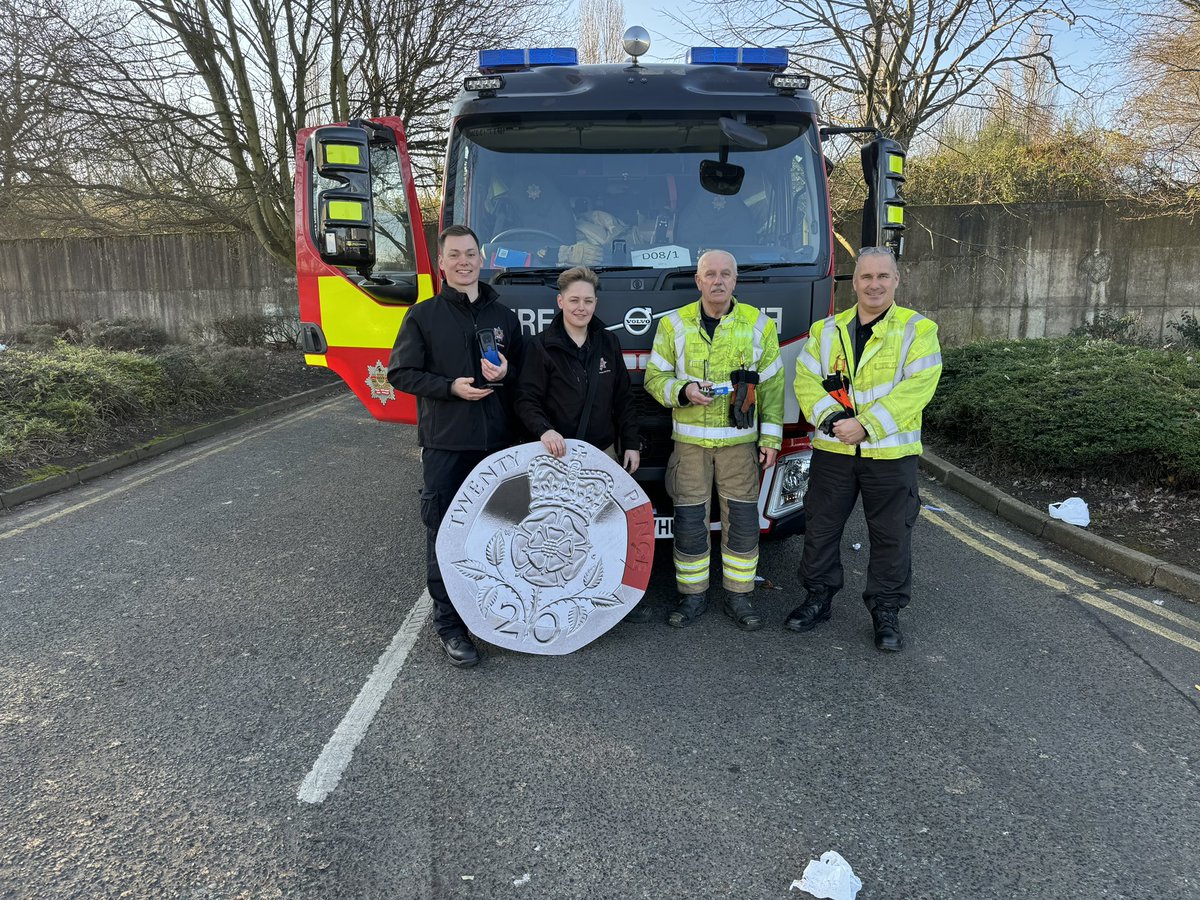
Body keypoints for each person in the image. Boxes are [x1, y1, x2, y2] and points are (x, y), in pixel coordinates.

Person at [786, 246, 942, 652]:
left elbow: (917, 389)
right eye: (866, 277)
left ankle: (886, 613)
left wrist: (866, 426)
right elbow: (804, 379)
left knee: (891, 538)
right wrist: (834, 422)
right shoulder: (827, 331)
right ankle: (818, 599)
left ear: (896, 281)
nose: (874, 284)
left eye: (882, 277)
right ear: (853, 282)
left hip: (890, 457)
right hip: (834, 451)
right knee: (820, 529)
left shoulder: (918, 329)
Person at [387, 224, 523, 669]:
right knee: (444, 535)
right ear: (441, 263)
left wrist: (506, 374)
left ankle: (493, 614)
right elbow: (401, 374)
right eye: (454, 256)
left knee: (500, 535)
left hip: (498, 445)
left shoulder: (504, 316)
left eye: (470, 254)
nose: (463, 262)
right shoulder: (422, 316)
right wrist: (450, 388)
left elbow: (523, 373)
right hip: (447, 446)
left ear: (481, 260)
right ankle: (449, 626)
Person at [644, 250, 784, 631]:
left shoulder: (758, 325)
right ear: (698, 281)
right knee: (690, 520)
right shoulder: (674, 324)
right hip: (689, 445)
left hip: (740, 443)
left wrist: (771, 438)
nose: (718, 280)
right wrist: (684, 389)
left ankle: (739, 596)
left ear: (735, 281)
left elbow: (772, 387)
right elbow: (654, 378)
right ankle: (693, 596)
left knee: (741, 519)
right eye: (710, 274)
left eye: (725, 274)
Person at [514, 266, 648, 621]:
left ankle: (609, 602)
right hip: (555, 457)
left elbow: (623, 399)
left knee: (605, 533)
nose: (581, 307)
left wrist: (630, 443)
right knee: (557, 536)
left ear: (595, 303)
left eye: (588, 300)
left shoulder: (608, 342)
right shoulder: (541, 346)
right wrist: (545, 430)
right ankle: (556, 605)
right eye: (574, 300)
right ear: (560, 302)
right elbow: (526, 399)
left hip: (602, 455)